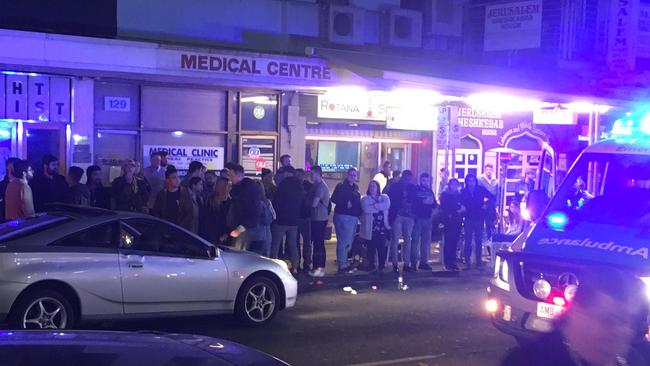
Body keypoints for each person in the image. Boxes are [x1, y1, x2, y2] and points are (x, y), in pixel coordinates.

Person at [501, 267, 648, 366]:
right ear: (576, 314)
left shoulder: (637, 359)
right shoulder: (527, 361)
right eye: (608, 320)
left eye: (625, 321)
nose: (620, 332)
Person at [271, 166, 305, 273]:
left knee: (275, 244)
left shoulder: (282, 185)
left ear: (287, 173)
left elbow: (276, 202)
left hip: (281, 219)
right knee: (293, 244)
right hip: (294, 220)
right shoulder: (299, 186)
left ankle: (273, 266)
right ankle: (295, 266)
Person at [330, 167, 362, 274]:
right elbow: (334, 198)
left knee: (347, 241)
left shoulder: (355, 188)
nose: (353, 177)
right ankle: (342, 264)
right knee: (344, 241)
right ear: (347, 175)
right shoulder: (341, 186)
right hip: (343, 215)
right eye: (351, 175)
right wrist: (345, 203)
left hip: (352, 216)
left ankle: (343, 262)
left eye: (354, 175)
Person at [226, 163, 263, 250]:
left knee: (240, 253)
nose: (229, 178)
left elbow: (250, 209)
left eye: (231, 175)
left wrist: (240, 228)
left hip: (245, 228)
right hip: (244, 227)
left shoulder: (245, 189)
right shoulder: (242, 188)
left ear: (239, 175)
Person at [387, 170, 416, 272]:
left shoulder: (412, 187)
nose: (408, 180)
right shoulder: (395, 187)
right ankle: (396, 264)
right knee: (396, 239)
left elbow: (415, 200)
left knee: (407, 239)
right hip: (398, 215)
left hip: (408, 216)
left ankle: (406, 264)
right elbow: (391, 200)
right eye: (406, 178)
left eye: (409, 178)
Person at [360, 180, 391, 275]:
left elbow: (387, 205)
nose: (372, 188)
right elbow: (366, 209)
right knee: (371, 248)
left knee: (381, 248)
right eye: (371, 186)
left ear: (378, 187)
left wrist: (374, 206)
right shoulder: (365, 199)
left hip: (382, 228)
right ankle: (371, 266)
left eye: (374, 186)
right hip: (371, 228)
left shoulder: (384, 197)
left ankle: (382, 266)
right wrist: (379, 207)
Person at [461, 174, 491, 270]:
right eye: (469, 181)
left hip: (479, 218)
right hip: (469, 218)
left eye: (472, 181)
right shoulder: (464, 191)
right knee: (468, 240)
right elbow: (461, 202)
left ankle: (478, 262)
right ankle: (467, 262)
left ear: (475, 181)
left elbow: (491, 197)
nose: (471, 183)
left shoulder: (480, 190)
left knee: (478, 240)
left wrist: (486, 204)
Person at [412, 172, 437, 271]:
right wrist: (422, 202)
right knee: (415, 241)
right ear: (420, 181)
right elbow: (413, 203)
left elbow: (434, 204)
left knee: (426, 242)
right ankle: (413, 262)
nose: (426, 182)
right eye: (424, 180)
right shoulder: (416, 190)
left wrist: (431, 204)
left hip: (428, 218)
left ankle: (424, 262)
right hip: (418, 218)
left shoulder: (430, 191)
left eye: (427, 181)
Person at [308, 165, 330, 278]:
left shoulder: (321, 187)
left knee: (318, 243)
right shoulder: (316, 185)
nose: (311, 176)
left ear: (318, 173)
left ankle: (320, 268)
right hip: (317, 218)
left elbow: (314, 204)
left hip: (320, 219)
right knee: (317, 243)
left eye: (312, 174)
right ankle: (317, 267)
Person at [440, 179, 464, 271]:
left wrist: (461, 210)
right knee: (448, 241)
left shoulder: (459, 195)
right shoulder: (445, 195)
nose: (454, 186)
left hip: (457, 221)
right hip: (449, 221)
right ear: (449, 185)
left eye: (456, 184)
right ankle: (447, 262)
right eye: (452, 184)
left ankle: (453, 261)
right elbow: (445, 208)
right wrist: (455, 211)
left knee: (455, 241)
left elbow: (461, 205)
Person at [199, 177, 231, 245]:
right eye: (228, 186)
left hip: (219, 235)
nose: (230, 188)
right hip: (213, 235)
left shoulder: (229, 202)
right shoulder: (210, 201)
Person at [247, 180, 275, 256]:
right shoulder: (265, 202)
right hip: (263, 233)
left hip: (249, 233)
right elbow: (270, 219)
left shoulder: (246, 201)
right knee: (263, 255)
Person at [296, 168, 313, 272]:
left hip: (306, 217)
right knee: (295, 242)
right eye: (296, 175)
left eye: (300, 175)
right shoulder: (293, 186)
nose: (298, 177)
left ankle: (307, 263)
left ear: (303, 175)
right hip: (295, 218)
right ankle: (296, 263)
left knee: (307, 241)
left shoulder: (309, 186)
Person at [479, 164, 498, 240]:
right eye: (487, 170)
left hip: (492, 203)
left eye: (490, 170)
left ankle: (491, 237)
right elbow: (479, 191)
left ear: (492, 170)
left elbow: (496, 194)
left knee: (491, 220)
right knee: (483, 220)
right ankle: (484, 238)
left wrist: (497, 206)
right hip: (484, 203)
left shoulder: (495, 181)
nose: (488, 171)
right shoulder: (480, 179)